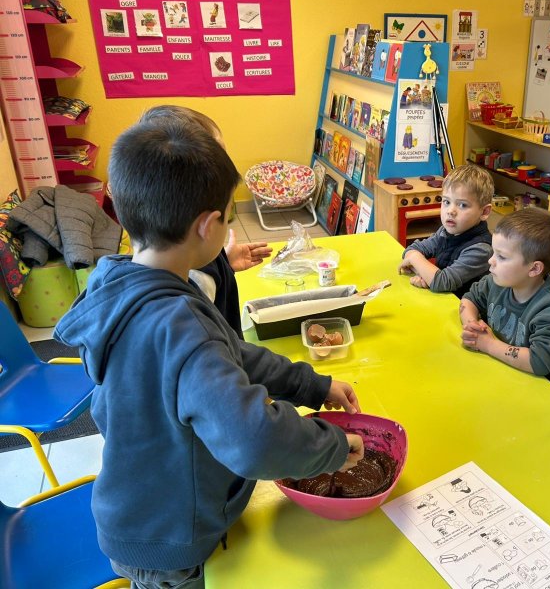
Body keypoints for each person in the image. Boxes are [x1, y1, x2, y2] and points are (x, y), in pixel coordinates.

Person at [54, 121, 364, 589]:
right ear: (207, 225)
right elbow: (255, 439)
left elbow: (231, 352)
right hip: (170, 540)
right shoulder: (180, 321)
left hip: (140, 507)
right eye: (227, 218)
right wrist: (333, 448)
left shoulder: (122, 282)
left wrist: (311, 384)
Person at [138, 105, 272, 338]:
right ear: (208, 226)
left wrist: (223, 263)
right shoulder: (191, 302)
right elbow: (218, 347)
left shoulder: (165, 253)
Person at [460, 208, 550, 394]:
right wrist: (472, 326)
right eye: (494, 253)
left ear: (534, 269)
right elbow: (469, 299)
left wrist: (488, 344)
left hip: (539, 395)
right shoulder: (498, 281)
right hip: (500, 375)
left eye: (501, 257)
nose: (491, 261)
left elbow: (540, 361)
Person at [398, 164, 493, 298]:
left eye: (463, 205)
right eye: (446, 202)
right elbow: (412, 249)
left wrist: (416, 261)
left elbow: (442, 282)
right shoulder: (445, 231)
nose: (450, 211)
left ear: (484, 212)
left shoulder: (481, 249)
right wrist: (426, 274)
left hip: (462, 308)